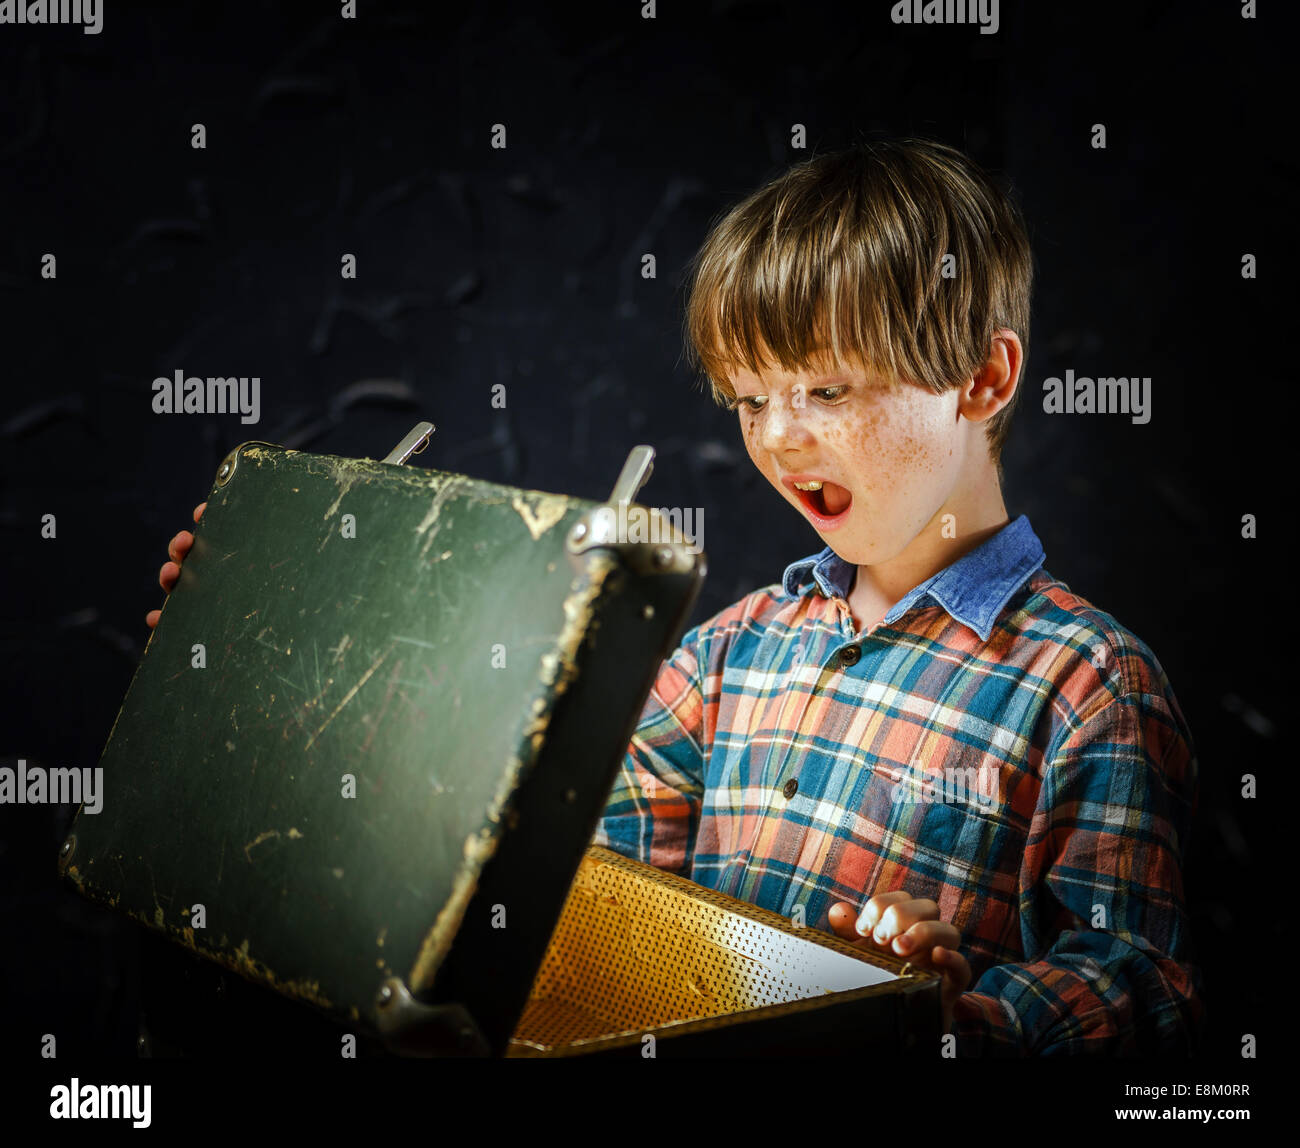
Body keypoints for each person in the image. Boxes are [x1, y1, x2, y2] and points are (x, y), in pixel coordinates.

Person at [149, 139, 1202, 1055]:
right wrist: (282, 669)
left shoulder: (1088, 685)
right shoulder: (725, 656)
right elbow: (564, 878)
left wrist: (948, 1019)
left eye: (826, 390)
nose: (779, 436)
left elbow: (1136, 979)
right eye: (750, 399)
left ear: (980, 379)